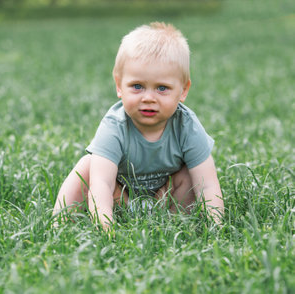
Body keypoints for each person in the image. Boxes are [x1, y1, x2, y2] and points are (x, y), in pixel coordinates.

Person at [53, 22, 224, 230]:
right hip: (120, 199)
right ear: (119, 86)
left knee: (190, 174)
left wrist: (216, 226)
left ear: (183, 90)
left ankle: (174, 225)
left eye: (162, 88)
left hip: (166, 200)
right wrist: (104, 227)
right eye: (137, 86)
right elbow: (101, 184)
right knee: (88, 166)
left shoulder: (187, 126)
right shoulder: (115, 126)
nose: (149, 98)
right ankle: (61, 222)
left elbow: (207, 185)